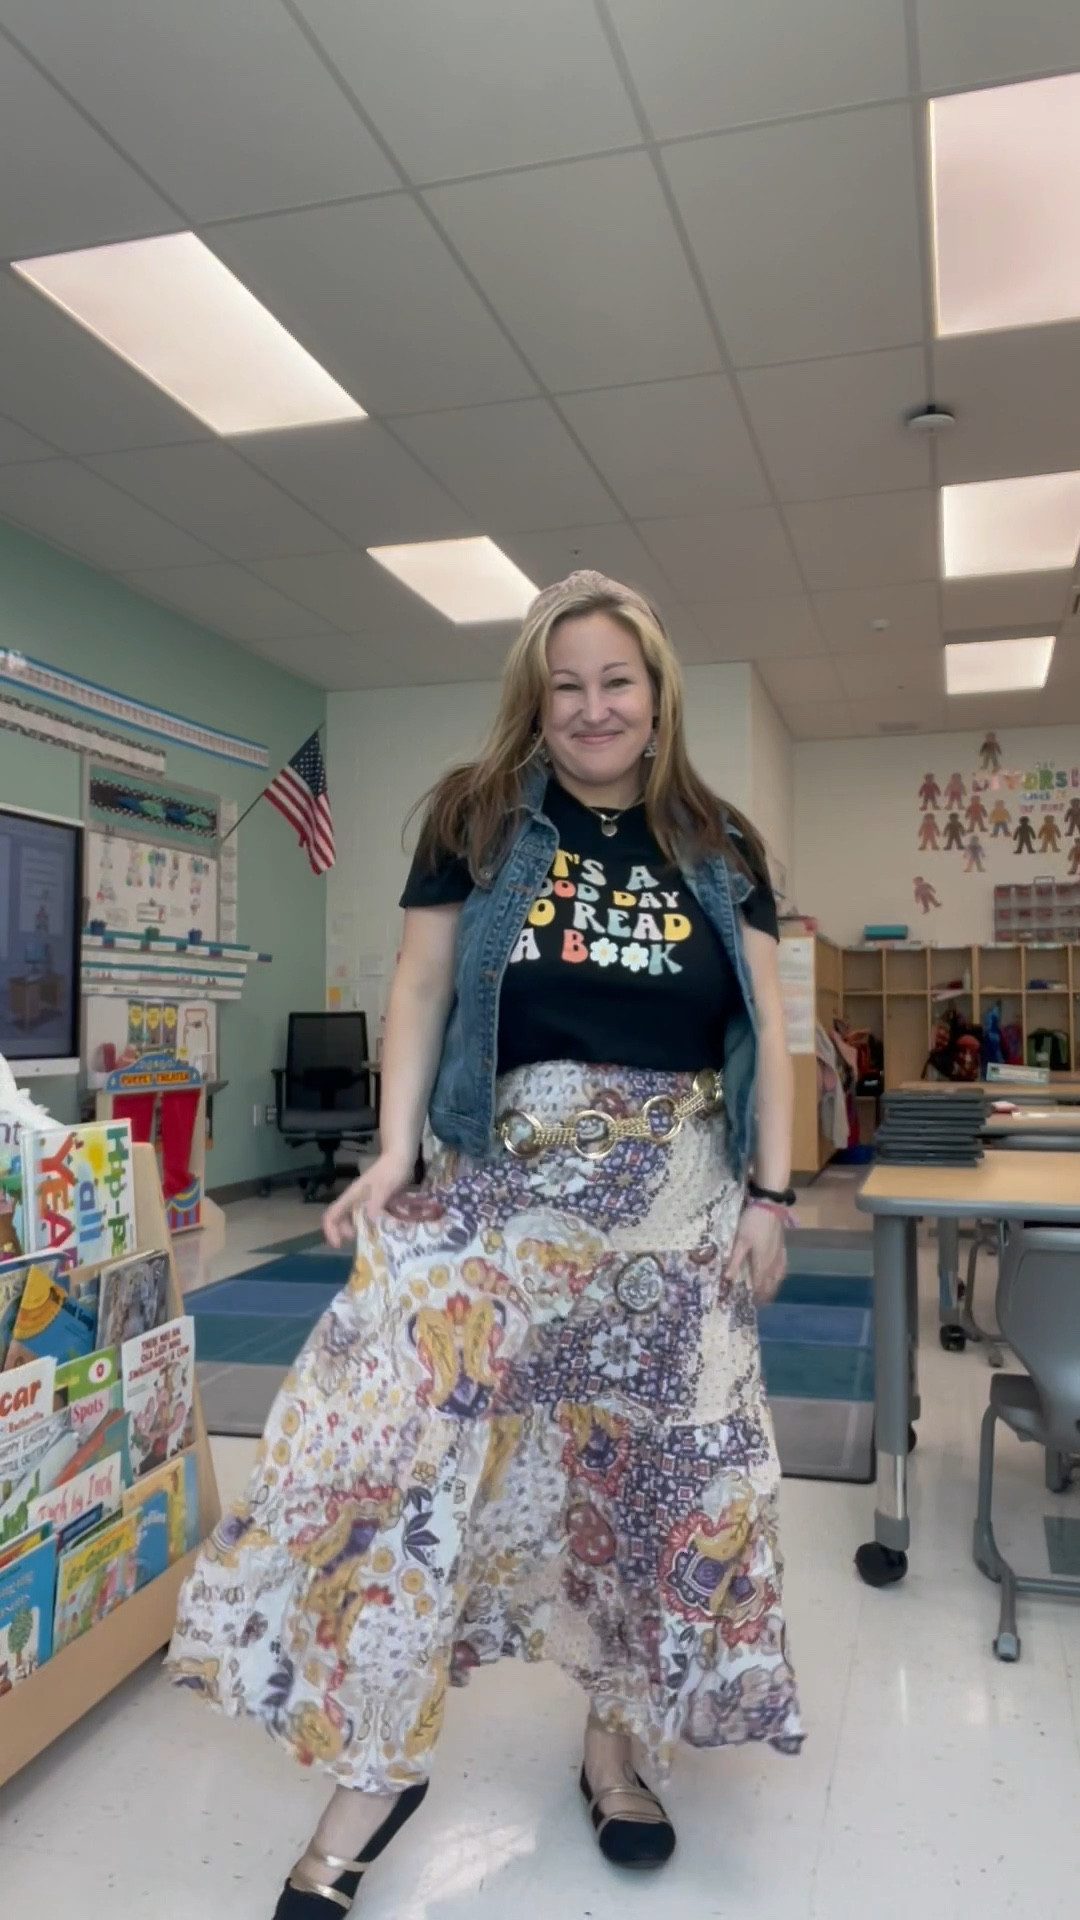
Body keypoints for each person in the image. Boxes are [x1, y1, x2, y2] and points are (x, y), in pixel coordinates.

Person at [167, 571, 804, 1915]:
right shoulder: (475, 817)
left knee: (659, 1481)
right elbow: (416, 983)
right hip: (499, 1182)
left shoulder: (722, 840)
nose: (592, 708)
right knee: (394, 1451)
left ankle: (616, 1755)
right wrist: (394, 1150)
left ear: (657, 692)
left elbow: (769, 1027)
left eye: (616, 682)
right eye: (565, 685)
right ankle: (375, 1771)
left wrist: (772, 1196)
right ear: (537, 695)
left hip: (674, 1209)